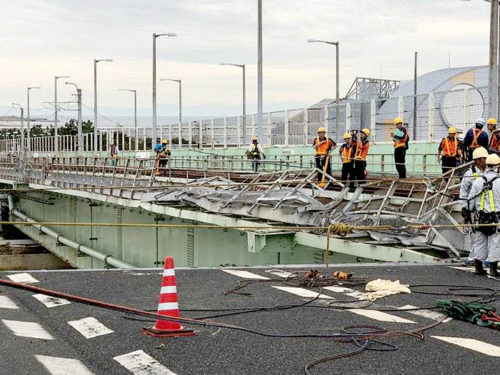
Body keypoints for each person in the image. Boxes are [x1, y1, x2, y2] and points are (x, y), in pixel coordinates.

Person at [468, 153, 500, 277]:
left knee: (479, 242)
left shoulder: (478, 181)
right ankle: (493, 268)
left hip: (480, 217)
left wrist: (469, 211)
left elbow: (470, 200)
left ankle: (478, 267)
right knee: (495, 242)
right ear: (497, 167)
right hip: (496, 217)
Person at [459, 147, 488, 266]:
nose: (485, 160)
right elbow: (463, 192)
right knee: (475, 235)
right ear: (477, 160)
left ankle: (485, 258)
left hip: (487, 209)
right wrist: (464, 208)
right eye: (483, 158)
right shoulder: (469, 174)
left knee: (489, 234)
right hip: (474, 209)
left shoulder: (489, 172)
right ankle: (473, 258)